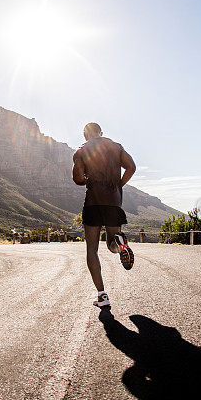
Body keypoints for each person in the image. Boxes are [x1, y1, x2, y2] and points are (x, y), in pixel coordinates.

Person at [73, 122, 136, 308]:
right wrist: (118, 185)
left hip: (93, 202)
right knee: (110, 244)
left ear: (85, 135)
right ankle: (119, 244)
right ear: (101, 132)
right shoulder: (116, 147)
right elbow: (131, 167)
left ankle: (102, 295)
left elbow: (77, 179)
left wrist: (83, 171)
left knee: (92, 250)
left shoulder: (82, 151)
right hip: (113, 202)